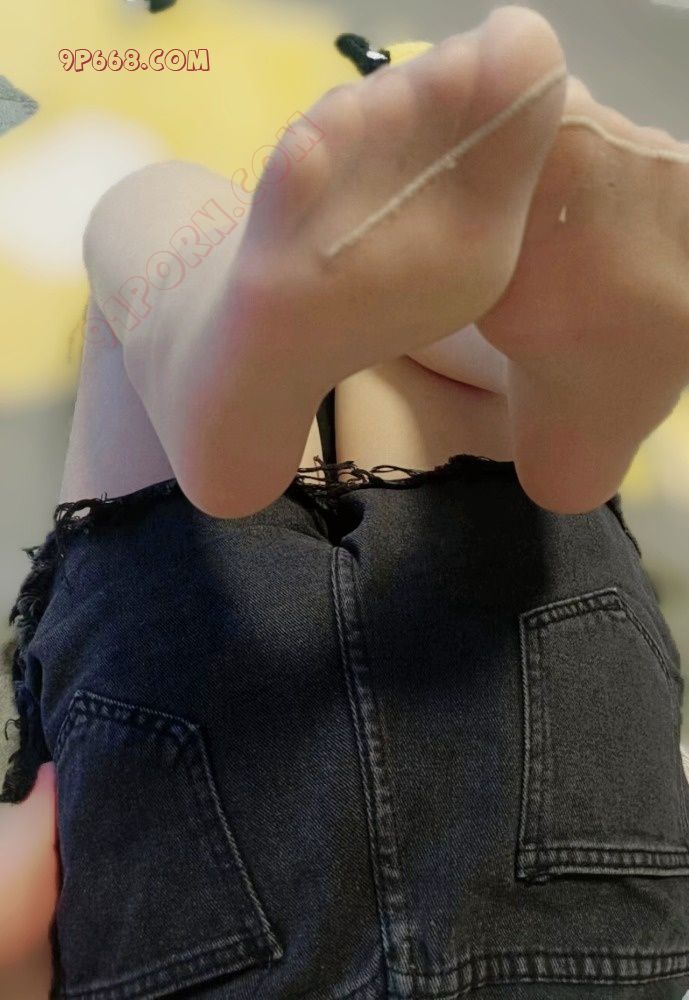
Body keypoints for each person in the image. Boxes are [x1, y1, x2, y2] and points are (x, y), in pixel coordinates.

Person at [2, 6, 689, 997]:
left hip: (568, 863)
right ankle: (230, 328)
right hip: (206, 868)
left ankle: (511, 354)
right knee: (164, 222)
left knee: (392, 326)